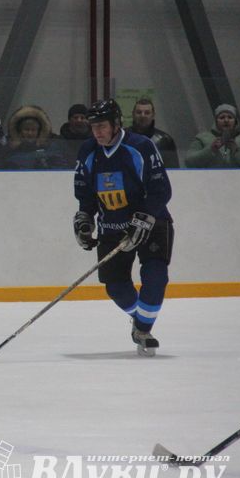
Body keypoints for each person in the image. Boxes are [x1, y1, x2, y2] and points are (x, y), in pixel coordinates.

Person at [73, 99, 174, 357]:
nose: (97, 132)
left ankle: (142, 330)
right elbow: (85, 194)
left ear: (116, 124)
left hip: (152, 222)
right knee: (115, 286)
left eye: (102, 126)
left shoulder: (140, 147)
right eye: (93, 126)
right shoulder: (87, 151)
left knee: (155, 276)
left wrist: (143, 219)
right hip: (112, 226)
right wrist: (84, 219)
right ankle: (142, 321)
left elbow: (161, 190)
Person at [0, 105, 69, 170]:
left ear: (39, 131)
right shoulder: (9, 148)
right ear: (20, 131)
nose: (30, 133)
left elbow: (62, 168)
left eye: (33, 130)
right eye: (26, 129)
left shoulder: (50, 146)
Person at [186, 103, 240, 167]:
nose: (226, 120)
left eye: (230, 117)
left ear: (235, 121)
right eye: (222, 117)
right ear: (216, 121)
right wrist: (210, 150)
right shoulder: (202, 138)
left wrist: (237, 152)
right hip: (209, 180)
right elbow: (189, 162)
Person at [128, 98, 178, 168]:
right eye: (139, 112)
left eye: (147, 113)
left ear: (153, 115)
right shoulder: (122, 137)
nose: (143, 115)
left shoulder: (165, 140)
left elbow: (174, 170)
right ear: (133, 114)